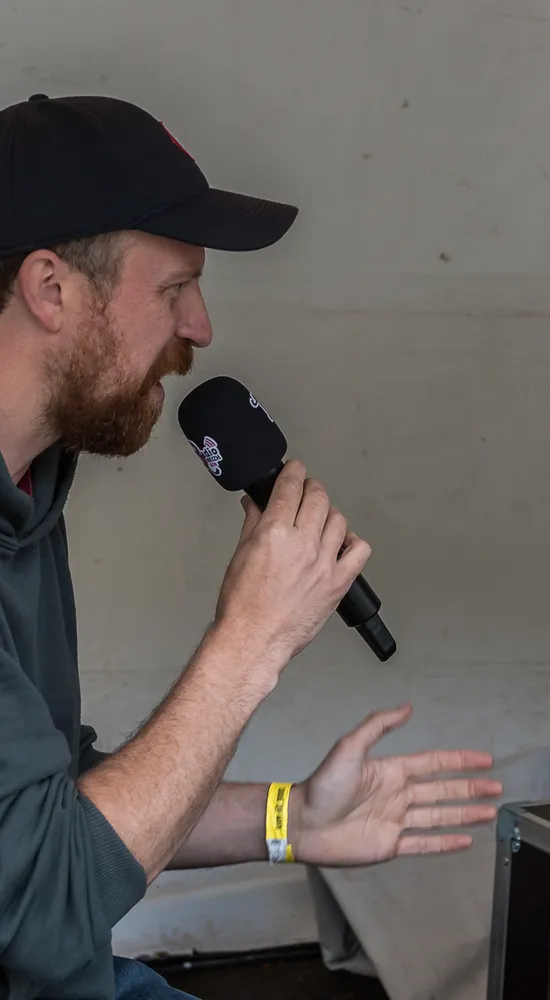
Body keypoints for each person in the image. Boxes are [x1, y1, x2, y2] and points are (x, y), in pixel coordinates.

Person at [0, 93, 502, 1000]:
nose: (200, 328)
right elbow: (45, 904)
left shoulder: (29, 491)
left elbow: (58, 807)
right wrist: (252, 640)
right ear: (51, 289)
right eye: (172, 289)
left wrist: (292, 819)